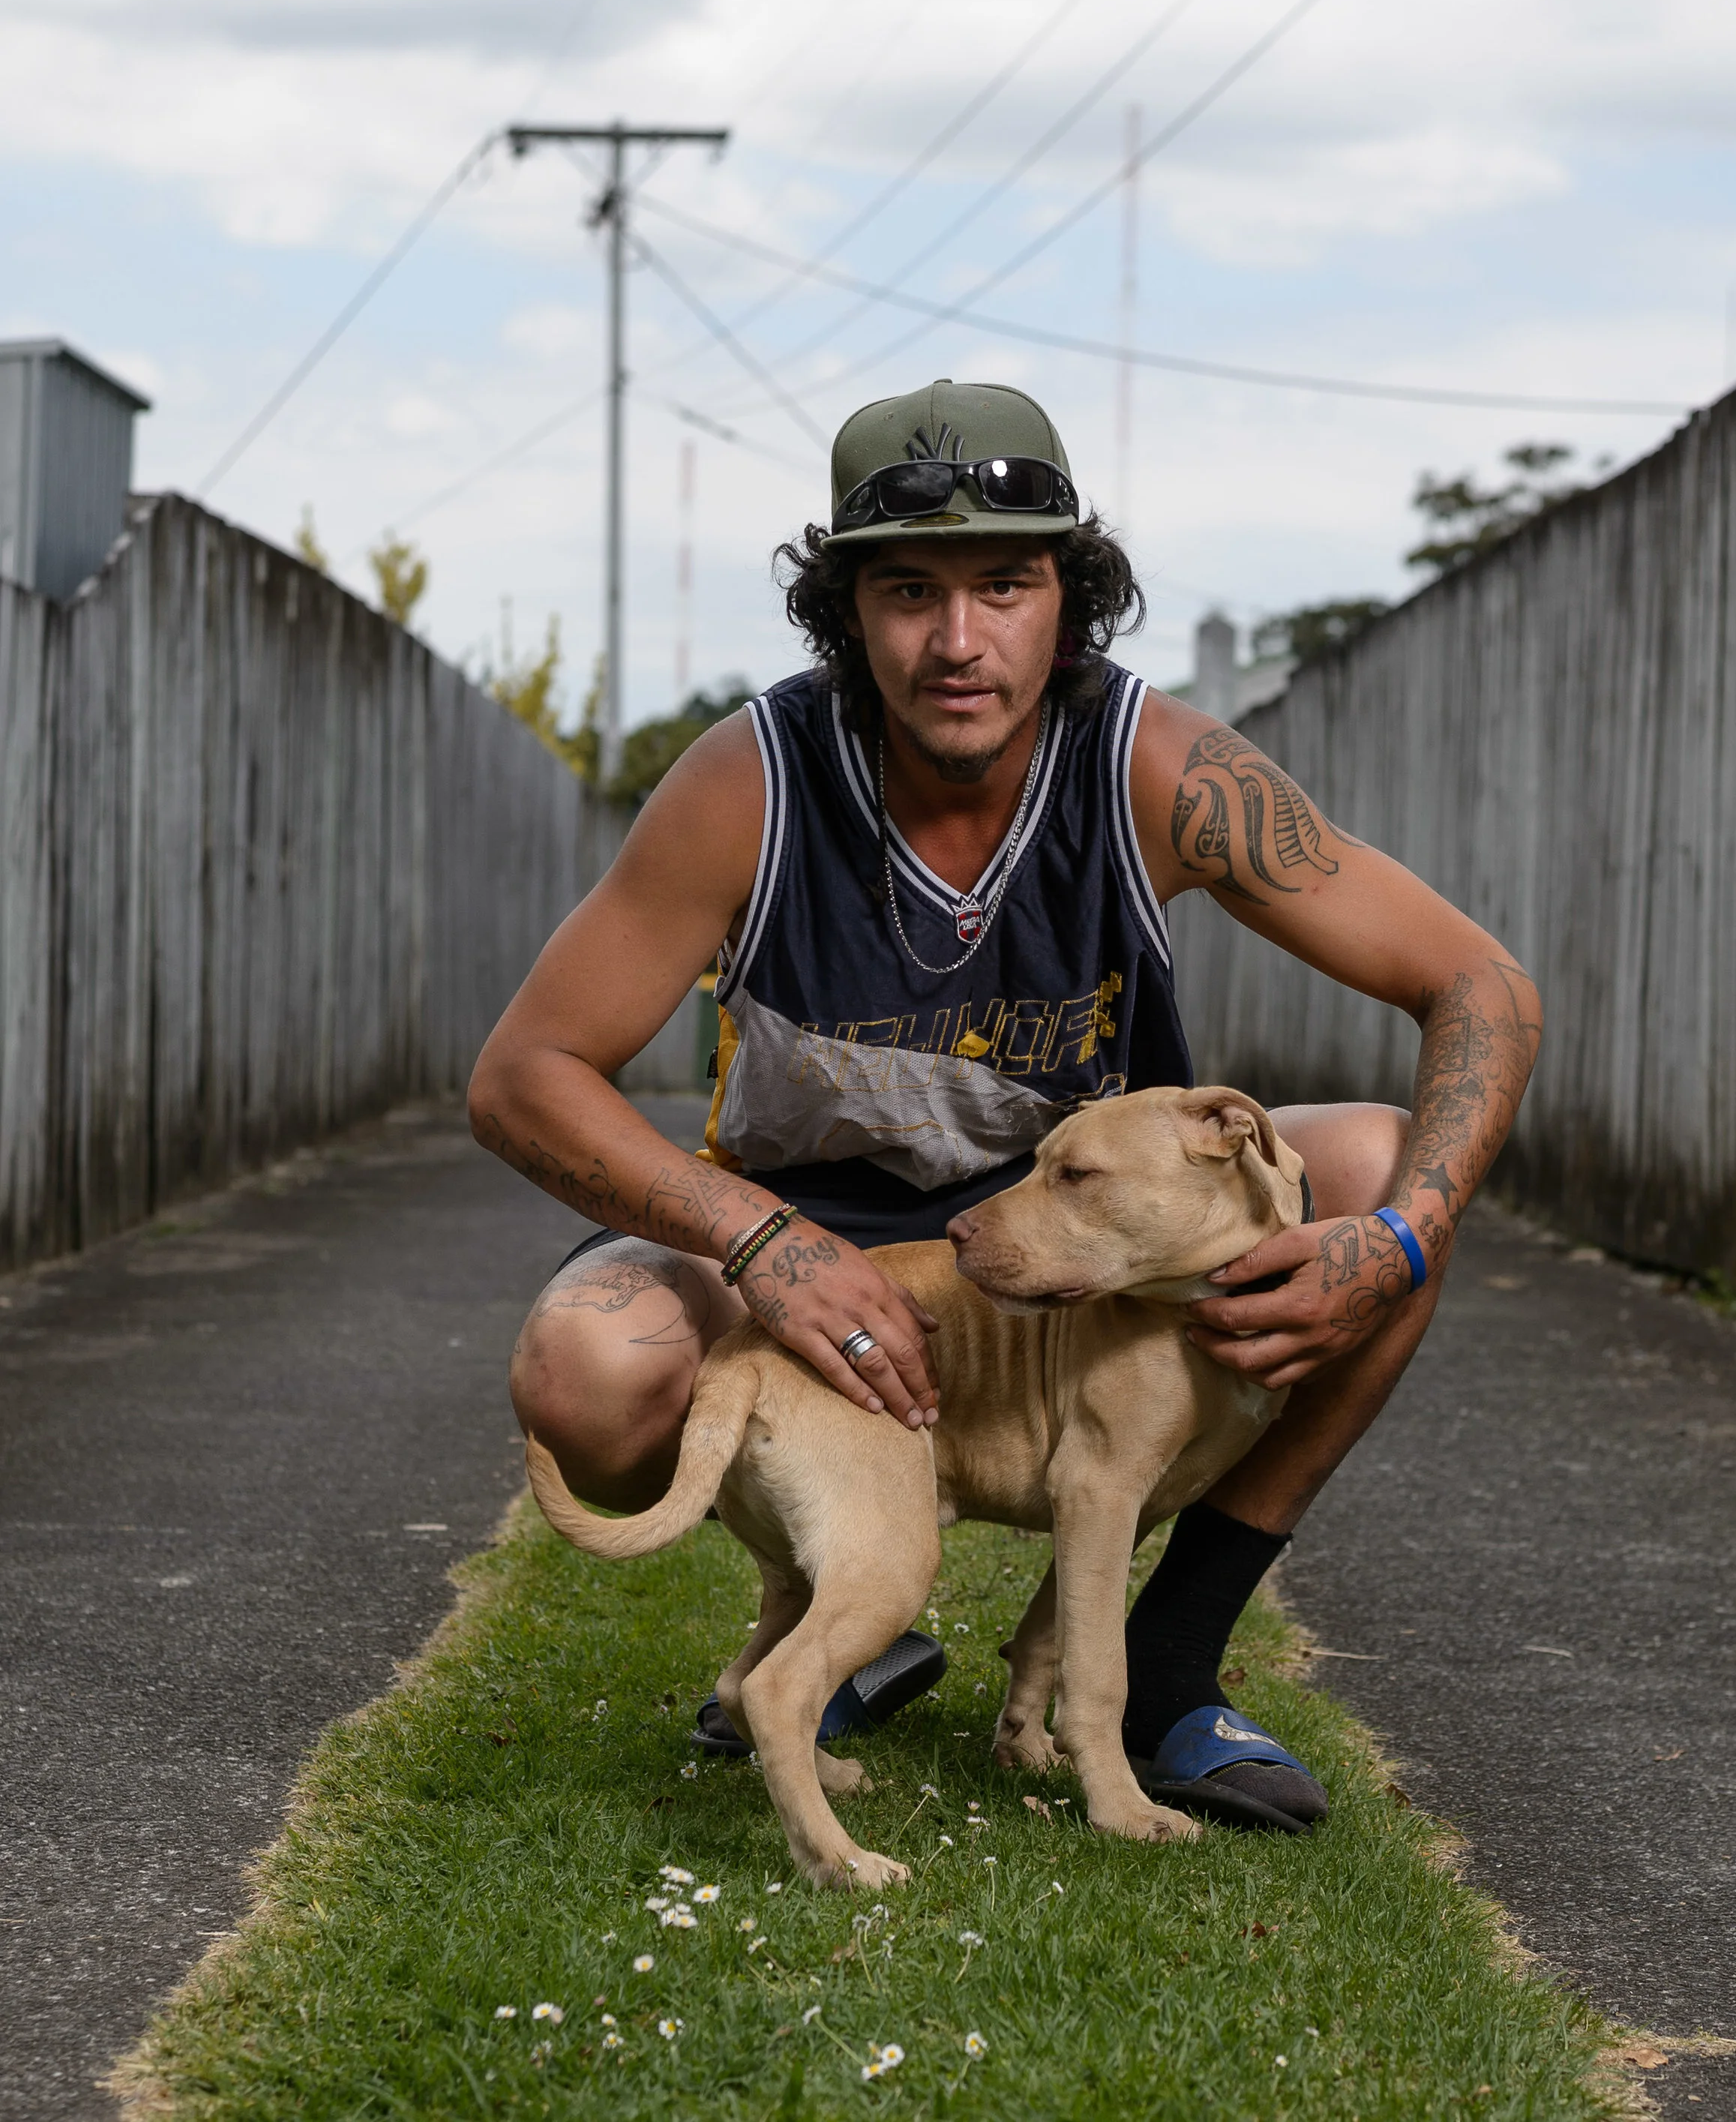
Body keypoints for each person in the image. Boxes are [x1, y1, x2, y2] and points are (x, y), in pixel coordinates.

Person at [469, 377, 1540, 1829]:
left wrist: (1401, 1237)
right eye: (909, 590)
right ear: (847, 613)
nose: (958, 640)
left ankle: (1171, 1665)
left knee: (1366, 1168)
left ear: (1069, 600)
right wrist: (756, 1239)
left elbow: (1479, 984)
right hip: (804, 1223)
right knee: (589, 1369)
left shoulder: (1157, 769)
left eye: (1005, 585)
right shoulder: (751, 780)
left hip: (1062, 1222)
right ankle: (846, 1618)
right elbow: (522, 1075)